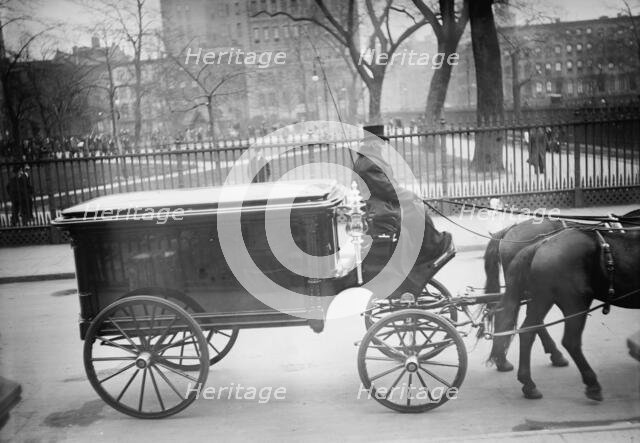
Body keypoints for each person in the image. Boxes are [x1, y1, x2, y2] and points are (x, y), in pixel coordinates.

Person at [353, 124, 453, 288]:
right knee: (416, 211)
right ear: (372, 143)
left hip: (382, 203)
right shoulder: (369, 163)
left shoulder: (370, 160)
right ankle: (431, 247)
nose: (382, 145)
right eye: (380, 142)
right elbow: (387, 189)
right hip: (379, 207)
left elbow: (389, 186)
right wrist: (411, 196)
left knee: (416, 209)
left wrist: (408, 195)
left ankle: (428, 247)